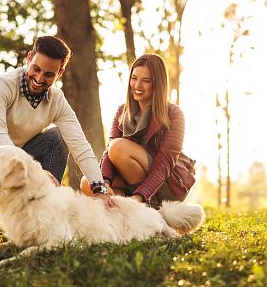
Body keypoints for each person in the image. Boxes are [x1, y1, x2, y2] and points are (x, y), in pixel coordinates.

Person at [0, 35, 113, 238]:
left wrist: (99, 188)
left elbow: (79, 144)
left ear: (60, 72)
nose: (40, 78)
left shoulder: (57, 100)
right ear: (29, 57)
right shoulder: (0, 85)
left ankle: (33, 214)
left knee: (57, 138)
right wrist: (36, 172)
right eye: (37, 69)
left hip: (5, 172)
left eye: (49, 74)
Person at [81, 53, 190, 208]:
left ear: (158, 84)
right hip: (131, 179)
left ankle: (145, 205)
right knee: (88, 183)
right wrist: (104, 184)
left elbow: (165, 163)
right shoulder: (121, 112)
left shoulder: (173, 113)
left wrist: (139, 197)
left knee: (118, 147)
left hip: (165, 186)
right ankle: (123, 213)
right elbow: (108, 154)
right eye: (134, 78)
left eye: (146, 81)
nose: (137, 85)